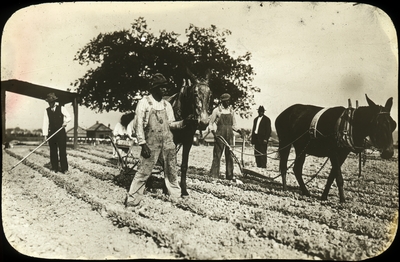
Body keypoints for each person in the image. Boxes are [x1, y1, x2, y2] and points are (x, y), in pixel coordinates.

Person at [125, 73, 185, 207]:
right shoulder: (144, 103)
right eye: (162, 87)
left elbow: (171, 124)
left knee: (172, 171)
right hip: (151, 143)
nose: (165, 89)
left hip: (168, 142)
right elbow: (138, 125)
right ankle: (132, 200)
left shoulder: (167, 105)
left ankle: (175, 197)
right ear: (154, 88)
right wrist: (142, 144)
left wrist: (184, 123)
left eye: (165, 87)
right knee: (143, 172)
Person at [209, 93, 242, 180]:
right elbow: (210, 123)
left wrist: (239, 131)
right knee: (217, 155)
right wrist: (214, 133)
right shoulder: (217, 110)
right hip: (220, 135)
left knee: (229, 155)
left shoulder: (231, 111)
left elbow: (234, 125)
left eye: (228, 101)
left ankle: (229, 175)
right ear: (222, 101)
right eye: (226, 101)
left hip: (230, 135)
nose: (228, 103)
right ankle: (214, 175)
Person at [42, 92, 71, 173]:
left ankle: (64, 169)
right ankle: (54, 167)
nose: (50, 104)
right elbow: (45, 123)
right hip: (51, 133)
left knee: (62, 151)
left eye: (51, 102)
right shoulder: (47, 111)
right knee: (53, 151)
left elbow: (69, 117)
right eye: (49, 102)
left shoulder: (61, 108)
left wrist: (65, 122)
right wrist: (45, 135)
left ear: (54, 101)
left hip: (61, 132)